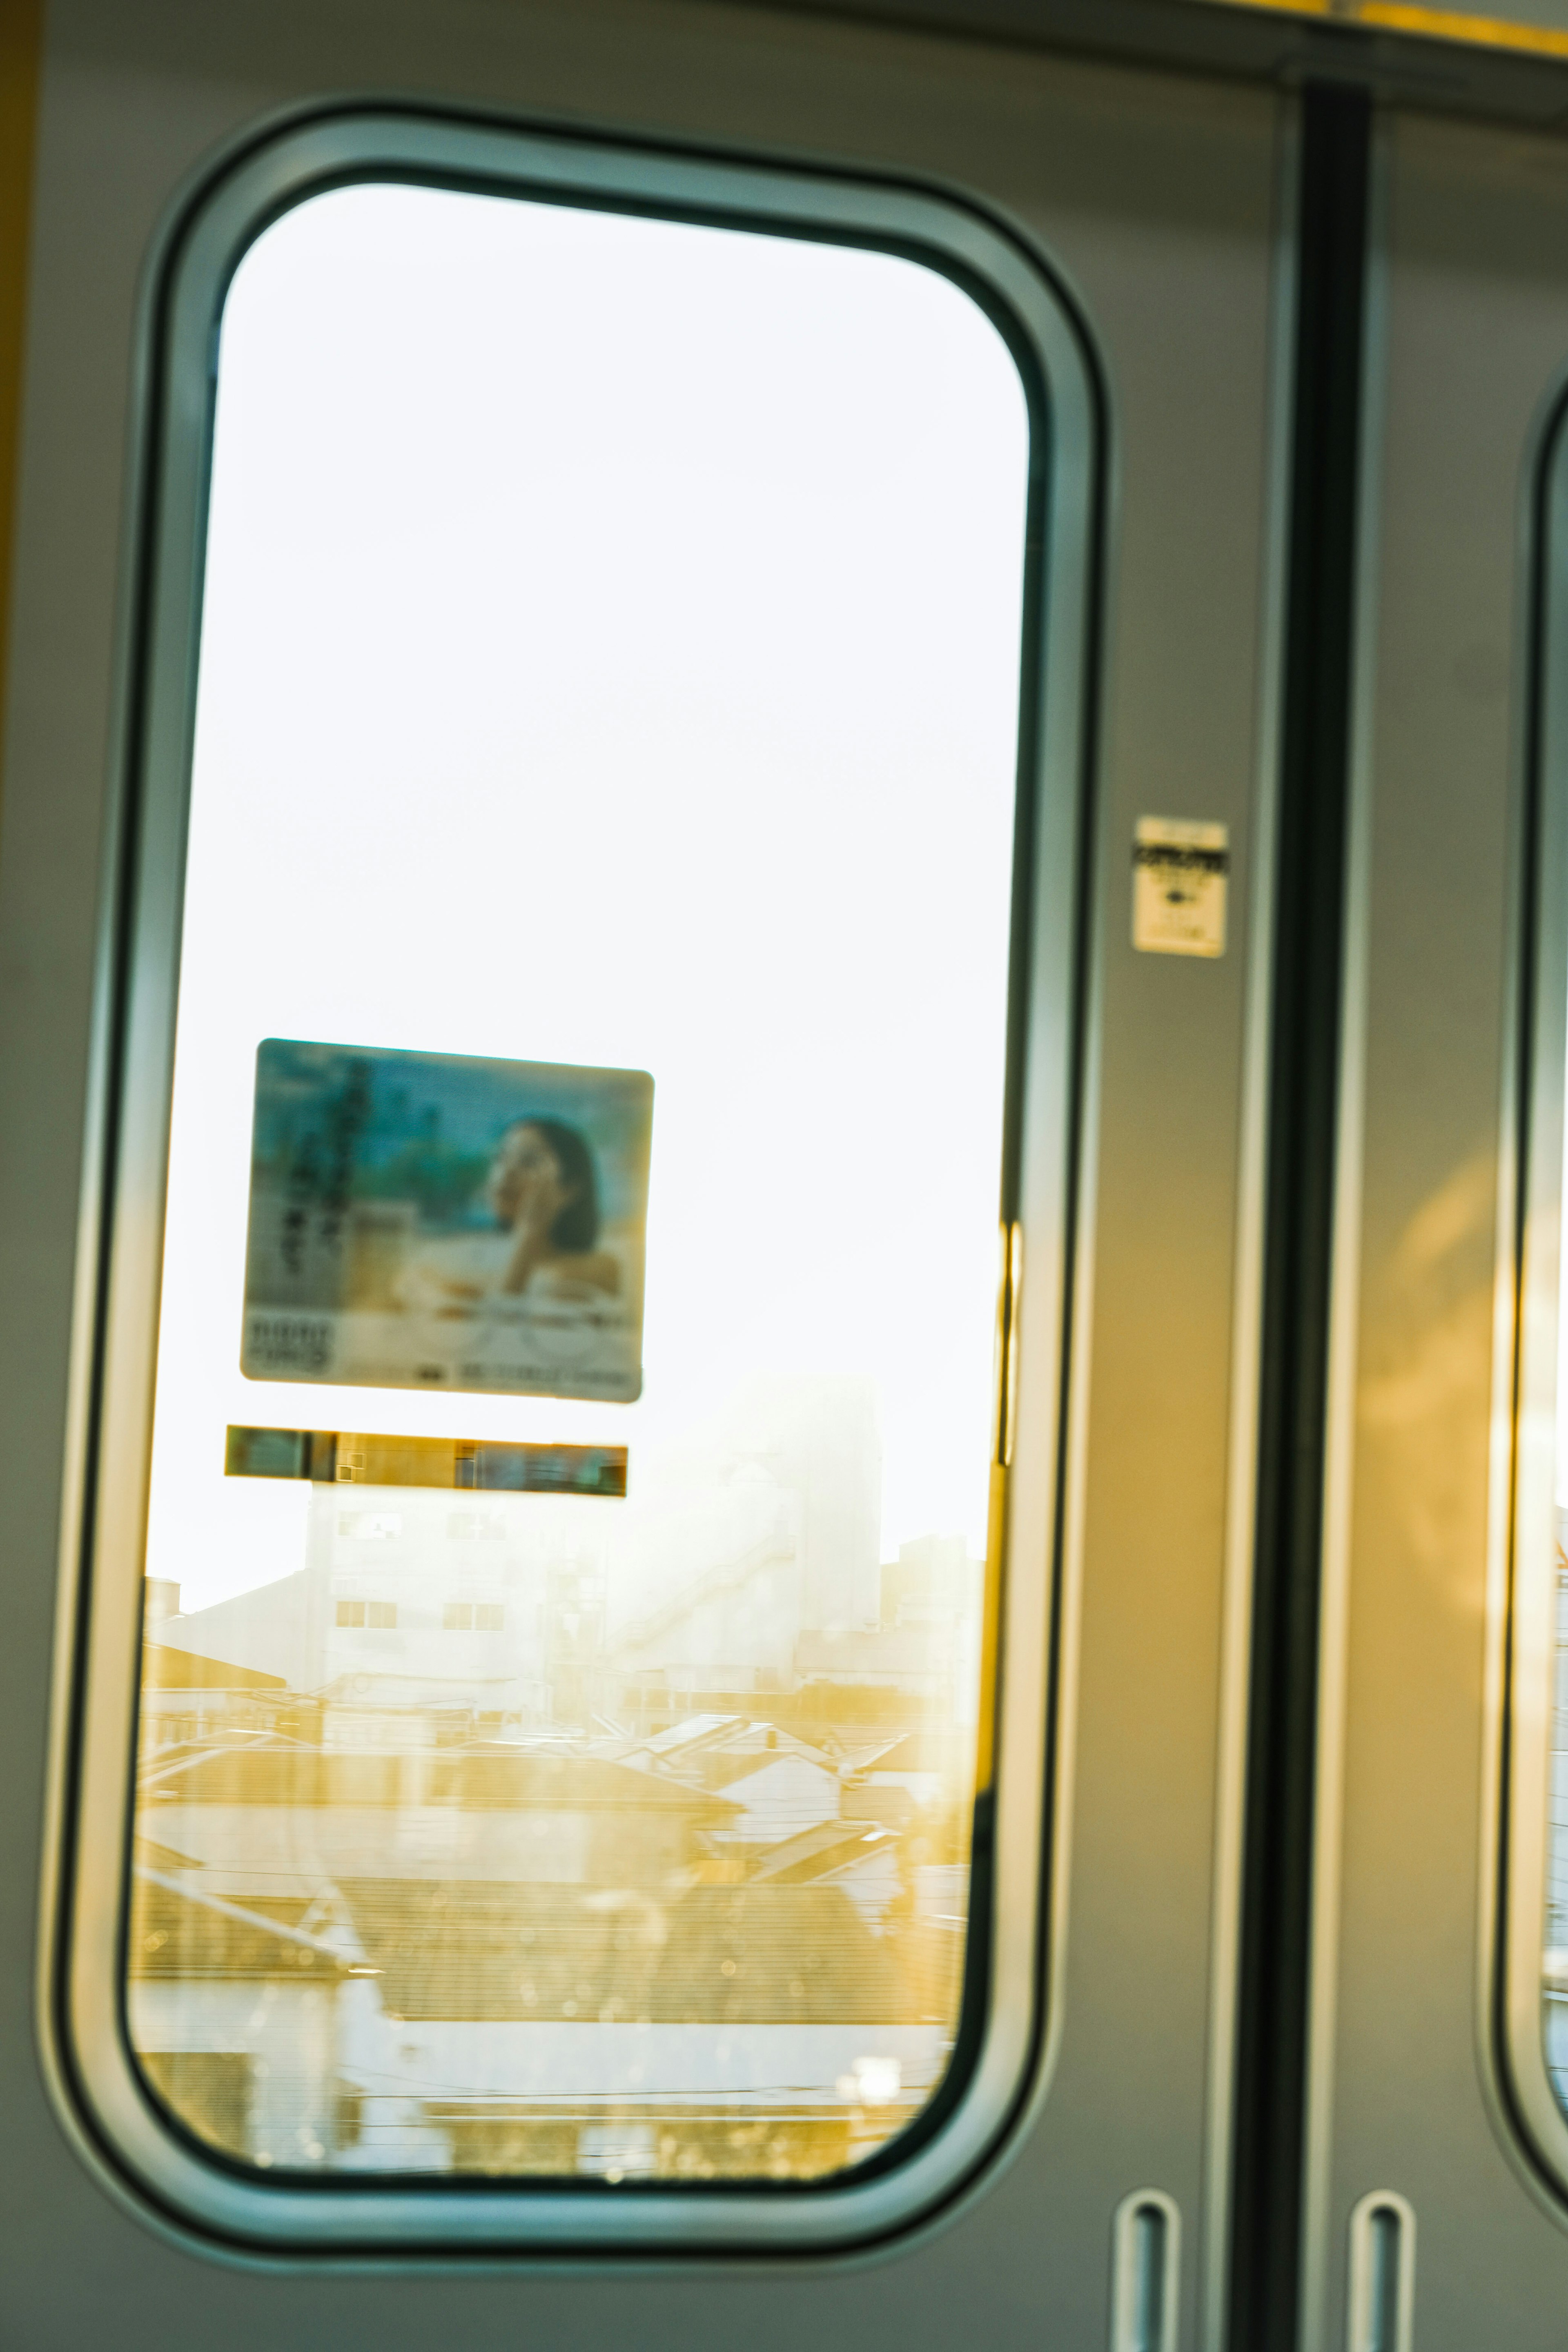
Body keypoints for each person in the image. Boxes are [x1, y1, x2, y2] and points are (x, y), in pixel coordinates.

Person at [483, 1118, 621, 1301]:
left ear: (570, 1189)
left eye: (529, 1162)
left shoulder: (594, 1269)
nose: (507, 1172)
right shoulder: (490, 1267)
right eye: (501, 1158)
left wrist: (529, 1231)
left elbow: (500, 1318)